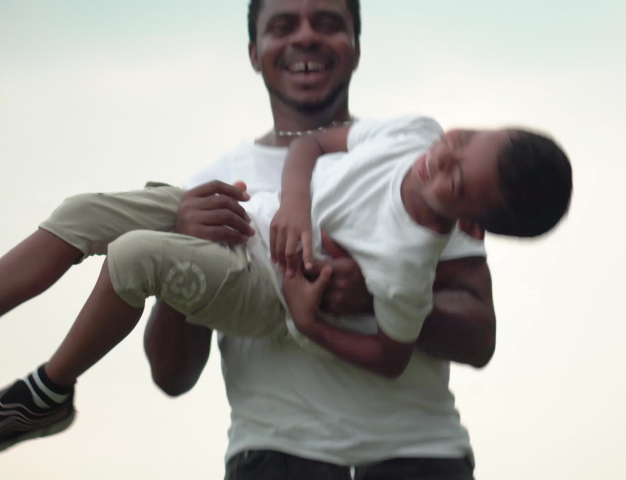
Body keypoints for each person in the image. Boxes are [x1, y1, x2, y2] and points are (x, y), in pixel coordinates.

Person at [0, 114, 572, 452]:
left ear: (470, 224)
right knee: (82, 213)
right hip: (255, 216)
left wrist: (309, 323)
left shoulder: (407, 265)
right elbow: (310, 144)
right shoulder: (414, 133)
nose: (443, 158)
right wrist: (295, 201)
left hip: (265, 288)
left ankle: (47, 394)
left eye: (457, 183)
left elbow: (391, 355)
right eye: (465, 139)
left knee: (133, 257)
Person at [145, 0, 510, 478]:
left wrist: (373, 295)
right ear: (254, 53)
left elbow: (479, 336)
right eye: (282, 26)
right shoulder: (211, 187)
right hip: (273, 456)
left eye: (327, 23)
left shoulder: (423, 166)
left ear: (355, 48)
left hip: (421, 454)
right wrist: (181, 254)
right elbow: (172, 376)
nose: (305, 37)